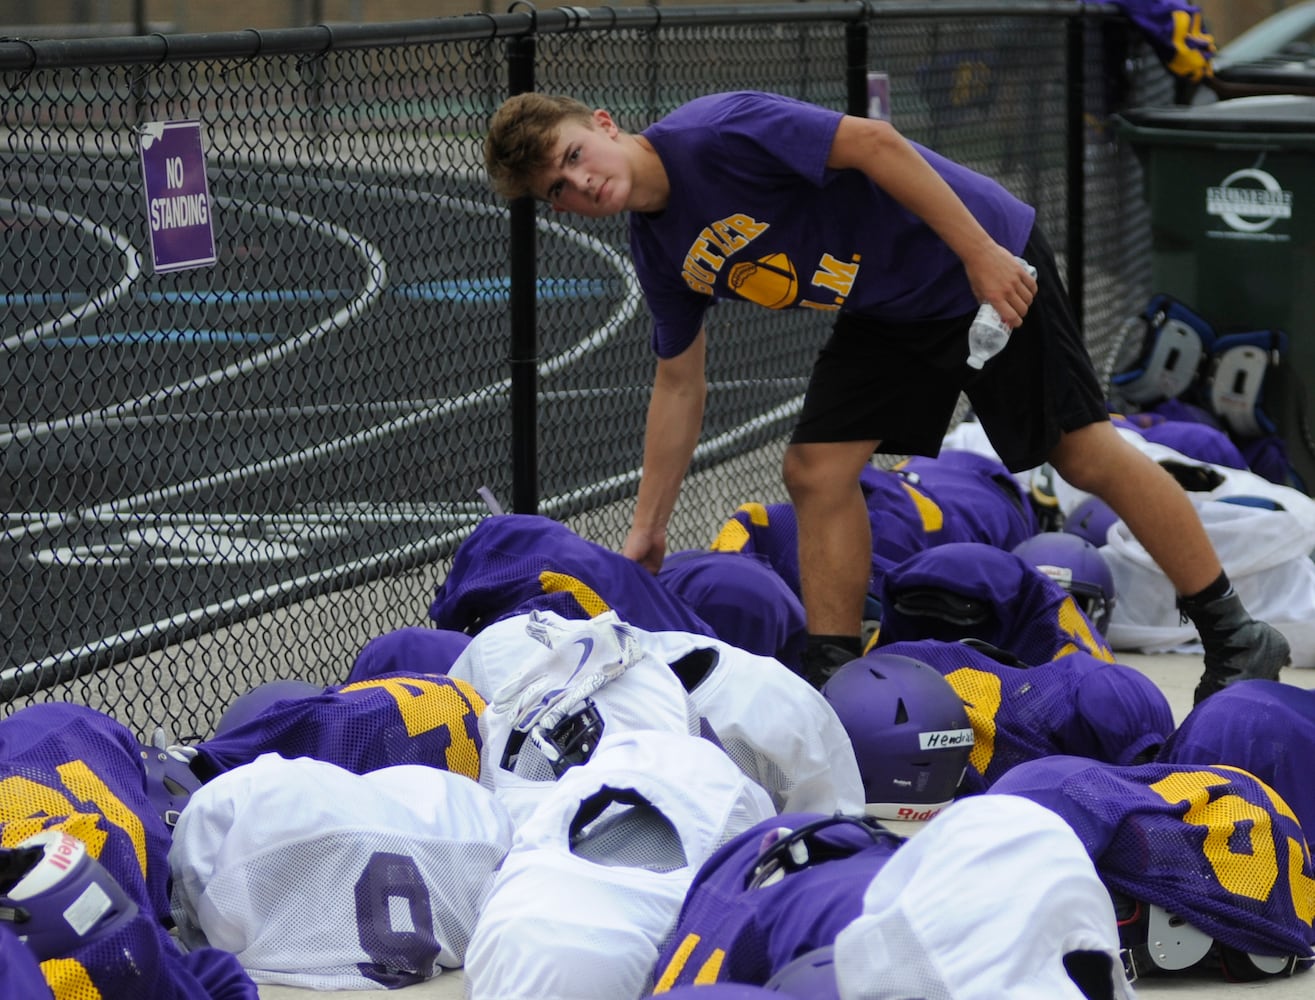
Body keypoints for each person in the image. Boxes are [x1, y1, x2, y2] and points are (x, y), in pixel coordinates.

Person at [482, 88, 1289, 701]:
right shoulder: (661, 251)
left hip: (974, 259)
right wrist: (647, 528)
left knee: (1079, 452)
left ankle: (1232, 631)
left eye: (573, 156)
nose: (578, 183)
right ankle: (837, 676)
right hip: (887, 308)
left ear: (603, 123)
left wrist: (978, 255)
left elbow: (872, 143)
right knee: (814, 469)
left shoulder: (716, 132)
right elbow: (677, 382)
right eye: (555, 189)